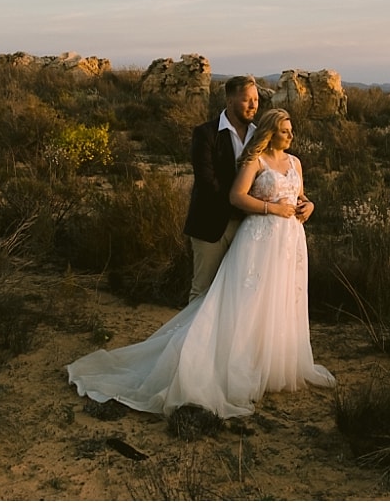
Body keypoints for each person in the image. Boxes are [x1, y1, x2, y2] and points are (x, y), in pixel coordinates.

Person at [65, 109, 335, 418]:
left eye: (291, 130)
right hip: (259, 239)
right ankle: (237, 366)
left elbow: (299, 195)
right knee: (248, 303)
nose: (291, 136)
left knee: (280, 301)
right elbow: (236, 197)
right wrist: (271, 209)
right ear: (271, 132)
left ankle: (271, 363)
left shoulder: (295, 162)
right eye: (285, 130)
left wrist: (309, 205)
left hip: (289, 242)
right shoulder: (254, 161)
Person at [184, 75, 259, 304]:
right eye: (247, 100)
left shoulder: (260, 137)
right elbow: (207, 181)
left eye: (256, 99)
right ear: (229, 101)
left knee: (238, 294)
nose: (254, 105)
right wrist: (240, 202)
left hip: (248, 228)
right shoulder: (206, 133)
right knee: (202, 293)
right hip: (210, 225)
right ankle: (190, 341)